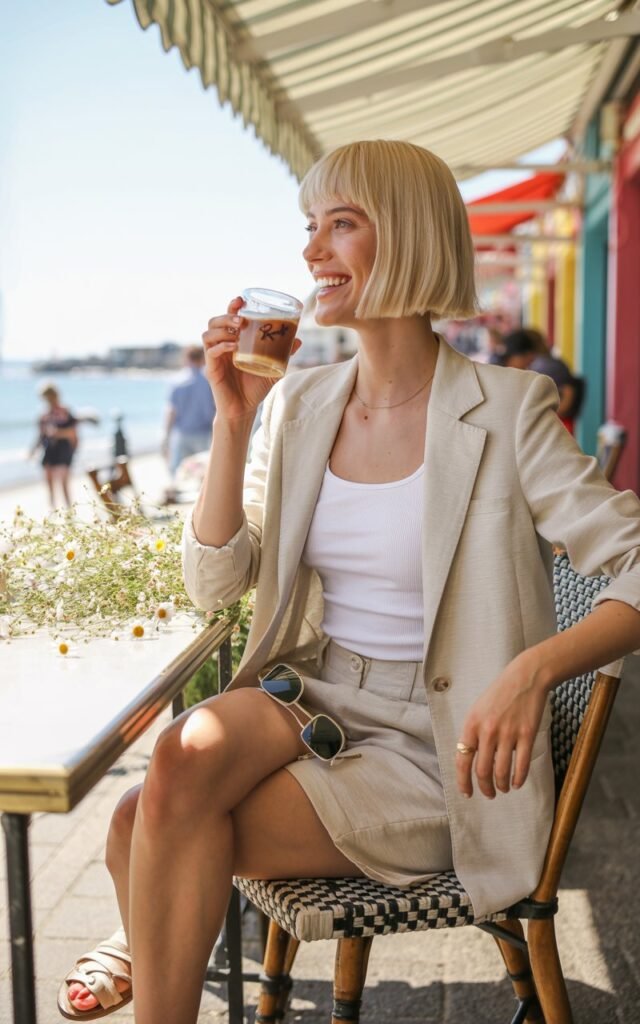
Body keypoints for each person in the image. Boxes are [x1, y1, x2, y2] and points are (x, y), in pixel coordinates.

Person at [58, 140, 640, 1023]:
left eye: (341, 225)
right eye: (309, 227)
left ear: (404, 237)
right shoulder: (299, 401)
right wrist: (230, 421)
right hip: (314, 692)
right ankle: (143, 945)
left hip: (444, 750)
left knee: (147, 826)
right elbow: (218, 584)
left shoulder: (508, 408)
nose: (310, 252)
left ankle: (139, 947)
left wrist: (532, 670)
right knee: (178, 765)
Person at [162, 345, 216, 475]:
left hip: (182, 434)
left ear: (186, 358)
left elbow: (171, 411)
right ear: (203, 358)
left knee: (180, 472)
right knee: (204, 472)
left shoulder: (176, 381)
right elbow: (216, 408)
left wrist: (165, 436)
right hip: (205, 433)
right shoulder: (210, 380)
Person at [28, 384, 79, 508]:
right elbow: (40, 436)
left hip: (63, 451)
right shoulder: (44, 415)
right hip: (49, 451)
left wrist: (58, 434)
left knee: (64, 484)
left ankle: (69, 511)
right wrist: (33, 450)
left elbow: (73, 433)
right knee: (49, 483)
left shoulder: (65, 412)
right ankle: (53, 510)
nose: (49, 400)